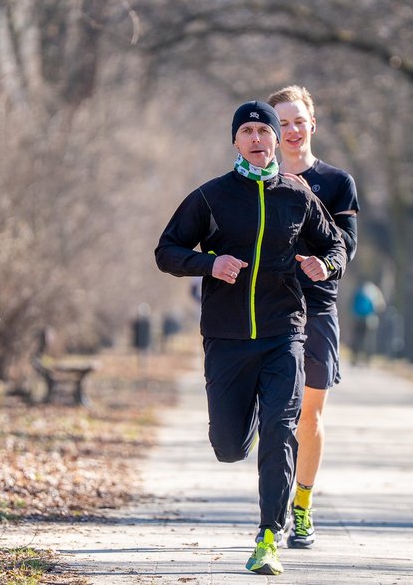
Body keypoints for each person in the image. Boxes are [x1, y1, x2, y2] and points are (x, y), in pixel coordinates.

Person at [154, 101, 347, 576]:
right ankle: (245, 420)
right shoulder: (211, 197)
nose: (258, 138)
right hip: (226, 336)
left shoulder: (298, 197)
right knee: (229, 446)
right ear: (235, 141)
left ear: (277, 139)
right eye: (249, 131)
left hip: (285, 333)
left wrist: (326, 266)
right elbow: (166, 250)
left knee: (281, 431)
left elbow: (334, 243)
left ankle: (268, 536)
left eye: (266, 129)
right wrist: (209, 264)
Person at [267, 85, 360, 549]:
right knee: (275, 414)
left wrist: (326, 264)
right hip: (269, 305)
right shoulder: (257, 181)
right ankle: (273, 504)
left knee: (310, 412)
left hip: (318, 304)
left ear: (312, 124)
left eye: (298, 120)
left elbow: (347, 243)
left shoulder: (338, 182)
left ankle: (301, 506)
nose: (291, 130)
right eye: (282, 122)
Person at [352, 280, 386, 364]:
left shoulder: (360, 291)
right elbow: (381, 306)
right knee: (368, 340)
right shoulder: (375, 292)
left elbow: (352, 304)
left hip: (358, 318)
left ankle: (355, 358)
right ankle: (367, 359)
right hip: (370, 320)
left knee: (357, 338)